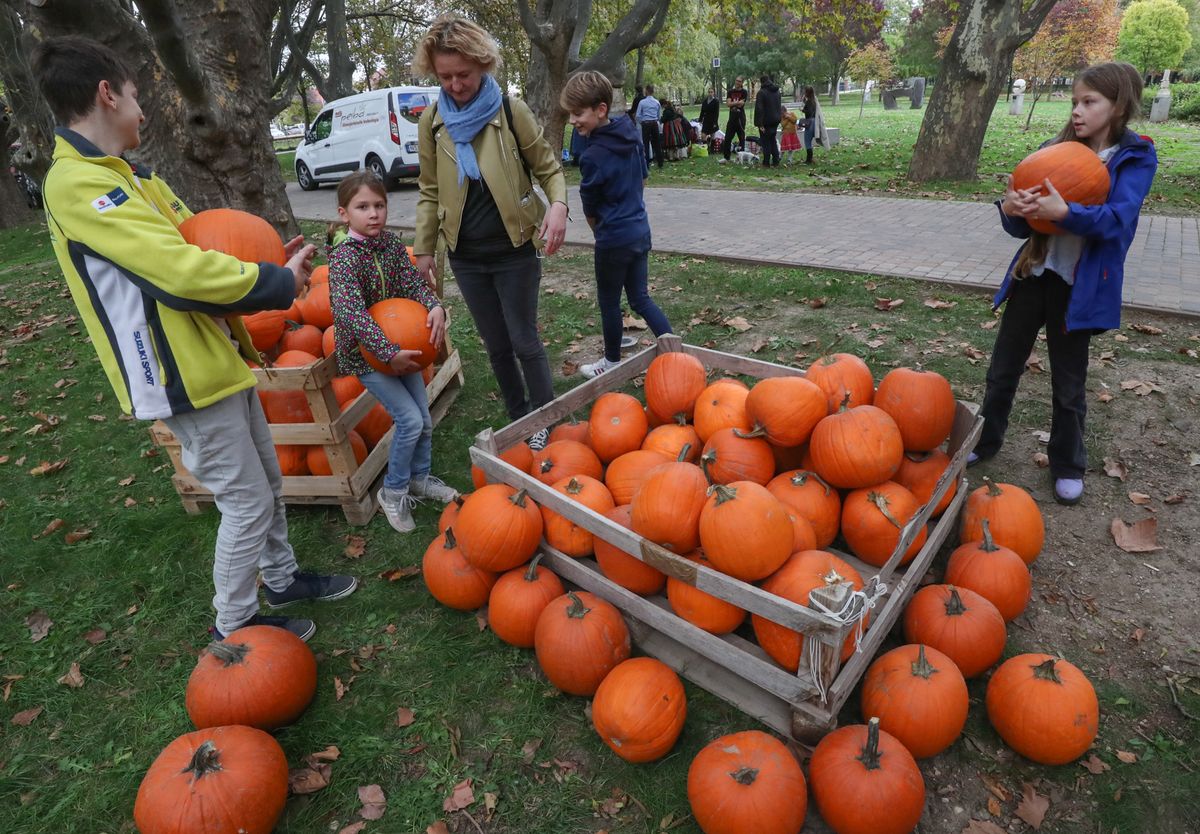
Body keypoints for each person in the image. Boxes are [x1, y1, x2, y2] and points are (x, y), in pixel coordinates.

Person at [32, 36, 356, 642]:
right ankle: (234, 625)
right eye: (134, 96)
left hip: (213, 355)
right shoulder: (77, 185)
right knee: (246, 500)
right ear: (107, 94)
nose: (143, 110)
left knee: (265, 475)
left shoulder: (129, 177)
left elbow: (203, 249)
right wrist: (275, 283)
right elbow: (179, 275)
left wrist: (262, 264)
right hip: (176, 374)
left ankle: (281, 578)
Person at [971, 62, 1157, 506]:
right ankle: (985, 439)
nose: (1078, 110)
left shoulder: (1135, 157)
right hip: (1034, 275)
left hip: (1079, 288)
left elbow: (1117, 221)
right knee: (1002, 370)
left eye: (1089, 102)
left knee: (1068, 383)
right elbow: (1023, 229)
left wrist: (1066, 213)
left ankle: (1068, 463)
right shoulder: (1053, 150)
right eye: (1075, 101)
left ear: (1118, 106)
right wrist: (1014, 209)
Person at [412, 15, 568, 451]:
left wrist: (558, 205)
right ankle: (519, 419)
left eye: (463, 74)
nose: (455, 85)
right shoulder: (432, 121)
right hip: (466, 255)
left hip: (513, 249)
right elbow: (428, 190)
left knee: (523, 339)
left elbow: (549, 168)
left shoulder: (508, 110)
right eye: (445, 76)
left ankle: (546, 416)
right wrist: (424, 248)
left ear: (483, 64)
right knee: (496, 345)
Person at [326, 171, 459, 532]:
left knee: (423, 418)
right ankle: (393, 490)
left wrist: (433, 305)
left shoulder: (390, 246)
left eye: (379, 205)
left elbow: (413, 282)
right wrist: (386, 353)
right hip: (368, 356)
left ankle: (419, 477)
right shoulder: (343, 260)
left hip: (402, 348)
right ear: (344, 213)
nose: (373, 214)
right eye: (363, 207)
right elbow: (351, 313)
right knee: (410, 420)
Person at [561, 71, 673, 378]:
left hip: (613, 239)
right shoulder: (631, 133)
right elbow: (644, 179)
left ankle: (611, 362)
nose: (573, 120)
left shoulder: (592, 155)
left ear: (600, 109)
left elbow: (590, 206)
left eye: (578, 113)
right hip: (640, 231)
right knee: (640, 298)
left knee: (609, 302)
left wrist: (602, 232)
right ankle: (675, 353)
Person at [754, 74, 783, 167]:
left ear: (762, 82)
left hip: (766, 121)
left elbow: (760, 109)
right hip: (775, 120)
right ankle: (776, 161)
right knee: (773, 140)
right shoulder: (777, 91)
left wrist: (760, 123)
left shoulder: (761, 93)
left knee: (765, 141)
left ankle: (766, 162)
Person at [634, 83, 663, 169]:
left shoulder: (642, 102)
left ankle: (646, 164)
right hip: (654, 123)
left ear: (646, 91)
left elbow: (638, 115)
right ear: (653, 91)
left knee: (645, 143)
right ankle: (660, 162)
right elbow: (659, 116)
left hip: (646, 124)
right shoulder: (657, 102)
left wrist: (641, 122)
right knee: (657, 143)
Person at [720, 77, 748, 163]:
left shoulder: (744, 92)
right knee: (728, 137)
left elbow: (741, 104)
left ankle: (741, 158)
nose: (737, 82)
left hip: (740, 118)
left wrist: (733, 104)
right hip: (732, 118)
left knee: (741, 138)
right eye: (736, 80)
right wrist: (736, 103)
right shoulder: (730, 92)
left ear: (741, 83)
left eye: (739, 81)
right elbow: (728, 104)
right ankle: (726, 157)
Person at [699, 87, 720, 152]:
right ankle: (706, 149)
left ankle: (712, 150)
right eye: (709, 92)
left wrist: (715, 123)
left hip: (713, 120)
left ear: (714, 93)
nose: (710, 93)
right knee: (703, 135)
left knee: (712, 136)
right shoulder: (705, 101)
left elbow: (717, 113)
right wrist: (700, 120)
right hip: (706, 120)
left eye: (711, 92)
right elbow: (702, 111)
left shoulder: (716, 101)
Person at [801, 85, 818, 165]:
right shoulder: (814, 100)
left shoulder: (809, 101)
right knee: (809, 141)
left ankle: (809, 159)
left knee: (807, 141)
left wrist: (803, 110)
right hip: (814, 121)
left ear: (807, 92)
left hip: (809, 122)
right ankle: (810, 158)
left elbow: (809, 112)